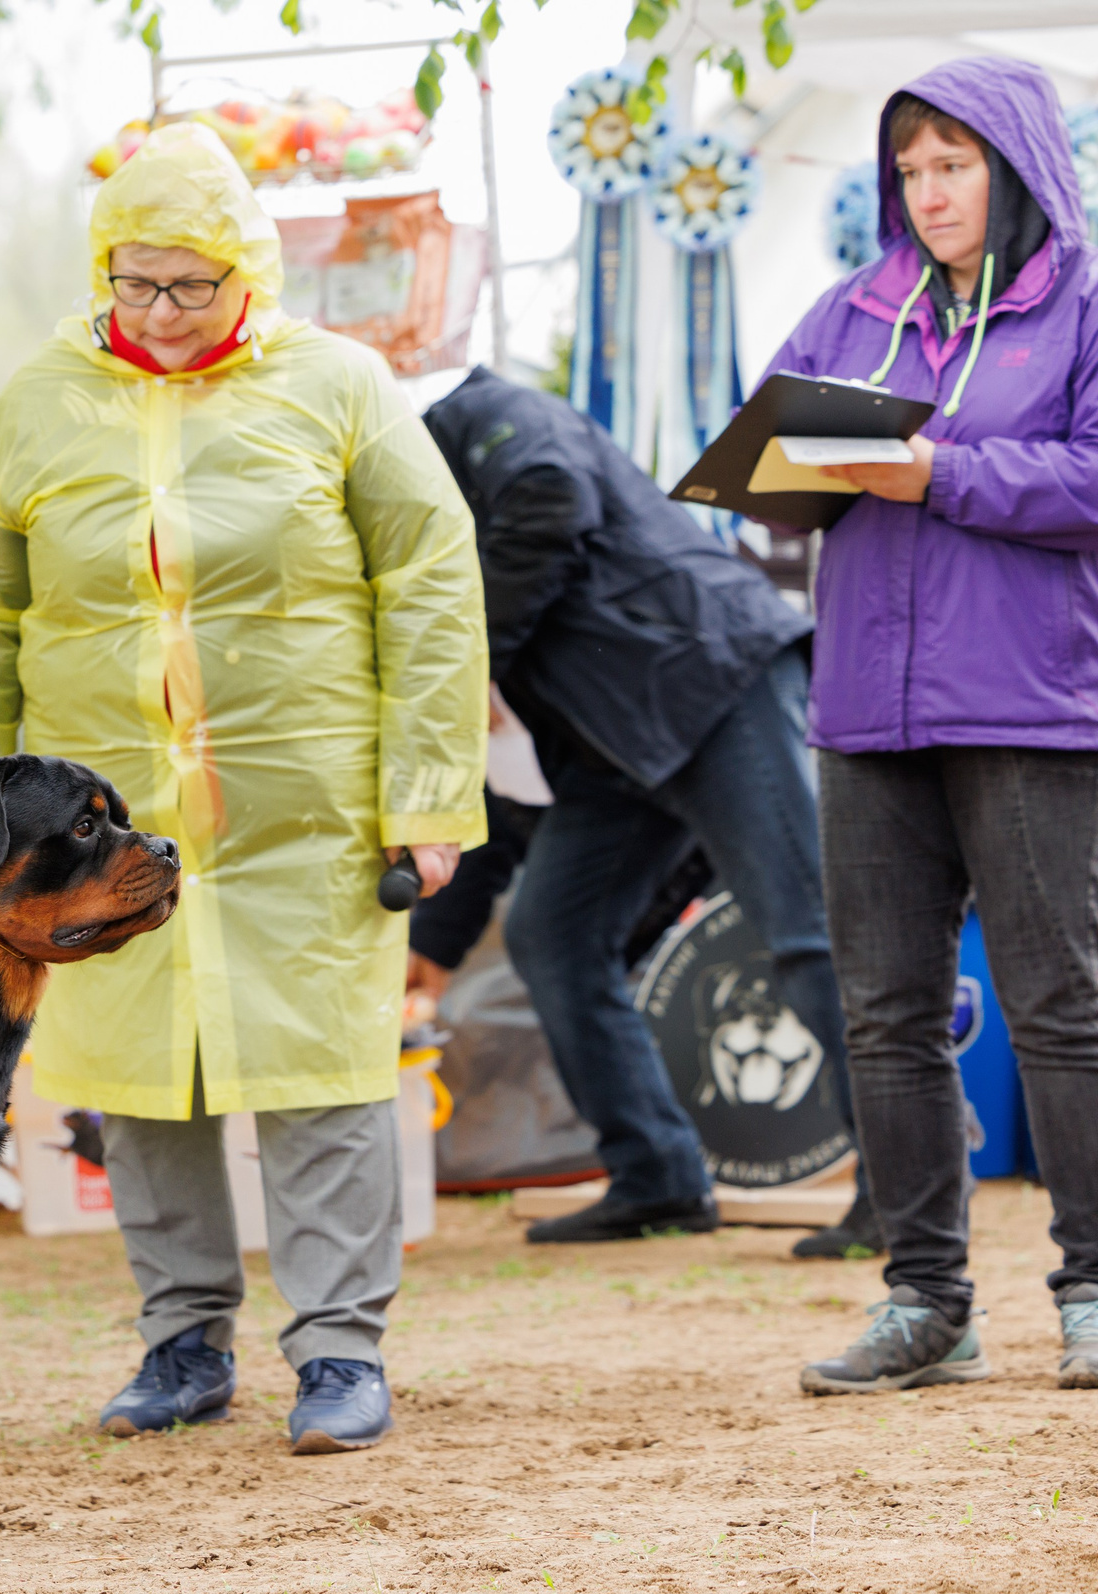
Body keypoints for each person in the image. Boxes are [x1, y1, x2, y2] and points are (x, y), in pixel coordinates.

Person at [0, 124, 486, 1454]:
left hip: (305, 811)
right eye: (136, 284)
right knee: (137, 1074)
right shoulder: (38, 399)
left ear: (248, 273)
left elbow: (432, 583)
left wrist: (428, 790)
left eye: (190, 285)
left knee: (325, 1072)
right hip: (102, 827)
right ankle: (181, 1341)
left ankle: (341, 1351)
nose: (162, 314)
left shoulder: (341, 387)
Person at [765, 60, 1098, 1395]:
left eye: (953, 162)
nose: (928, 189)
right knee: (887, 1012)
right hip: (863, 702)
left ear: (1013, 165)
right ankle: (925, 1303)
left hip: (1026, 698)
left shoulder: (1081, 304)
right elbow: (780, 442)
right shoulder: (857, 308)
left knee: (1061, 1003)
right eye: (910, 167)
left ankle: (1092, 1290)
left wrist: (939, 472)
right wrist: (776, 485)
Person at [413, 368, 874, 1253]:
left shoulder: (486, 412)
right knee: (552, 933)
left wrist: (469, 660)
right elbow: (489, 794)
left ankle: (907, 1180)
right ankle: (657, 1176)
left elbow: (553, 497)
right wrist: (429, 945)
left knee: (805, 925)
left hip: (707, 675)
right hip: (610, 748)